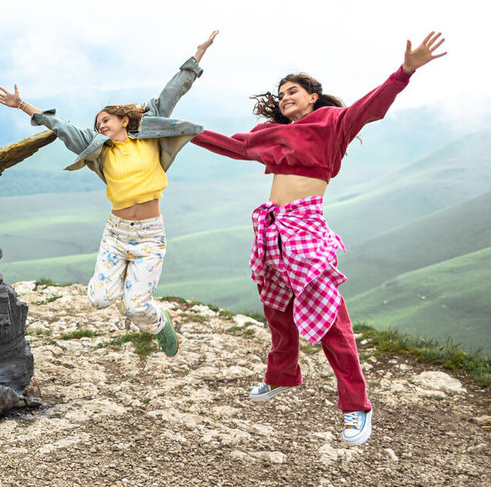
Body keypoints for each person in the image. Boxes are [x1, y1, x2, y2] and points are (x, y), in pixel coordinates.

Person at [189, 32, 447, 446]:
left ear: (313, 96)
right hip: (270, 228)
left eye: (293, 91)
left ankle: (357, 408)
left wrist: (405, 72)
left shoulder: (331, 124)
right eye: (281, 93)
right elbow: (235, 146)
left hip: (304, 227)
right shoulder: (271, 133)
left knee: (330, 321)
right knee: (277, 311)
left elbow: (370, 107)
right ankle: (283, 376)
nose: (285, 97)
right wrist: (184, 132)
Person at [0, 32, 217, 357]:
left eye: (106, 120)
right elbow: (62, 127)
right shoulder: (98, 148)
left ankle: (160, 321)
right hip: (117, 233)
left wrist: (196, 56)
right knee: (99, 299)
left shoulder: (150, 134)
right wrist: (23, 106)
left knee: (136, 308)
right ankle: (126, 278)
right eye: (97, 123)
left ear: (124, 119)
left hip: (150, 236)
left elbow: (172, 92)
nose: (100, 126)